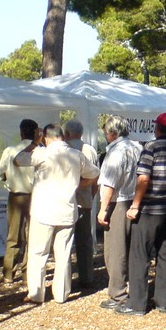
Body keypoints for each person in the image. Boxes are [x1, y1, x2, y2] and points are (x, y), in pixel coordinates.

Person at [116, 113, 166, 316]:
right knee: (165, 254)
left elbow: (143, 179)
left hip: (150, 209)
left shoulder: (151, 147)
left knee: (139, 255)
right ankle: (163, 302)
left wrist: (135, 206)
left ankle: (137, 304)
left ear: (157, 128)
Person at [15, 124, 100, 304]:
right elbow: (94, 173)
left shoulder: (42, 153)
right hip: (66, 210)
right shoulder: (76, 155)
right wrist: (79, 185)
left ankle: (36, 293)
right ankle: (61, 294)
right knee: (63, 255)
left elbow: (18, 159)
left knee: (38, 253)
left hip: (43, 211)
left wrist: (34, 143)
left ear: (46, 137)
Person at [96, 116, 142, 308]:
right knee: (131, 248)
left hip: (119, 202)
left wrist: (102, 209)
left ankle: (118, 293)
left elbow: (109, 183)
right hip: (135, 200)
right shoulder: (137, 147)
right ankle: (133, 287)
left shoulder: (116, 152)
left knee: (115, 251)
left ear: (113, 133)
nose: (105, 136)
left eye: (106, 133)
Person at [0, 118, 39, 283]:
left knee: (13, 235)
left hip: (16, 196)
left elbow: (0, 175)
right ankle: (28, 273)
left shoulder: (10, 151)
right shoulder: (40, 151)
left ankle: (9, 272)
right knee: (32, 235)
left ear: (21, 132)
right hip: (35, 197)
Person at [64, 119, 99, 290]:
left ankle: (64, 280)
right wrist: (91, 196)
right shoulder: (90, 150)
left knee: (64, 242)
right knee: (84, 241)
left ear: (66, 133)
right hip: (85, 201)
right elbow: (96, 178)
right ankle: (87, 277)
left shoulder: (64, 149)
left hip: (65, 201)